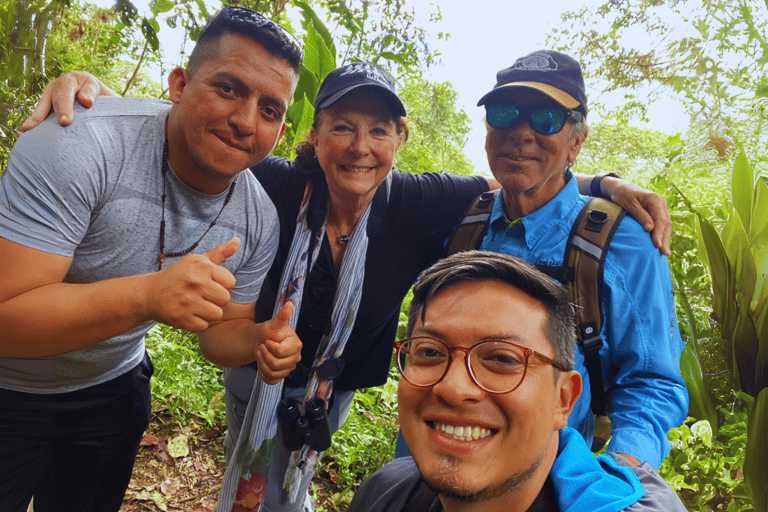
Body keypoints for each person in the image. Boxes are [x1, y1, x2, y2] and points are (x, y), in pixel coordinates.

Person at [23, 62, 673, 512]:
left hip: (333, 389)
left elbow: (529, 179)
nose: (360, 146)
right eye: (342, 126)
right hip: (257, 373)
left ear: (400, 139)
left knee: (291, 481)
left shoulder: (423, 202)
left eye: (379, 130)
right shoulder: (272, 186)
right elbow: (192, 134)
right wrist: (92, 99)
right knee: (254, 479)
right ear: (313, 135)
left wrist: (608, 184)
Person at [0, 6, 305, 512]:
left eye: (270, 109)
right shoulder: (82, 143)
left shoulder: (259, 219)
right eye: (228, 88)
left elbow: (220, 334)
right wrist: (148, 295)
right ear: (180, 85)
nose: (245, 120)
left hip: (111, 393)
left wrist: (257, 340)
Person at [473, 50, 687, 469]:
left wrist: (617, 472)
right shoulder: (462, 219)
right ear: (486, 129)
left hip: (548, 479)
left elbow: (652, 381)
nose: (521, 132)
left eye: (546, 120)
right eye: (503, 113)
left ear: (577, 140)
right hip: (432, 472)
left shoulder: (622, 241)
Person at [348, 251, 688, 512]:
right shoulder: (385, 492)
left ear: (563, 399)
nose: (453, 388)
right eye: (429, 352)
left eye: (502, 359)